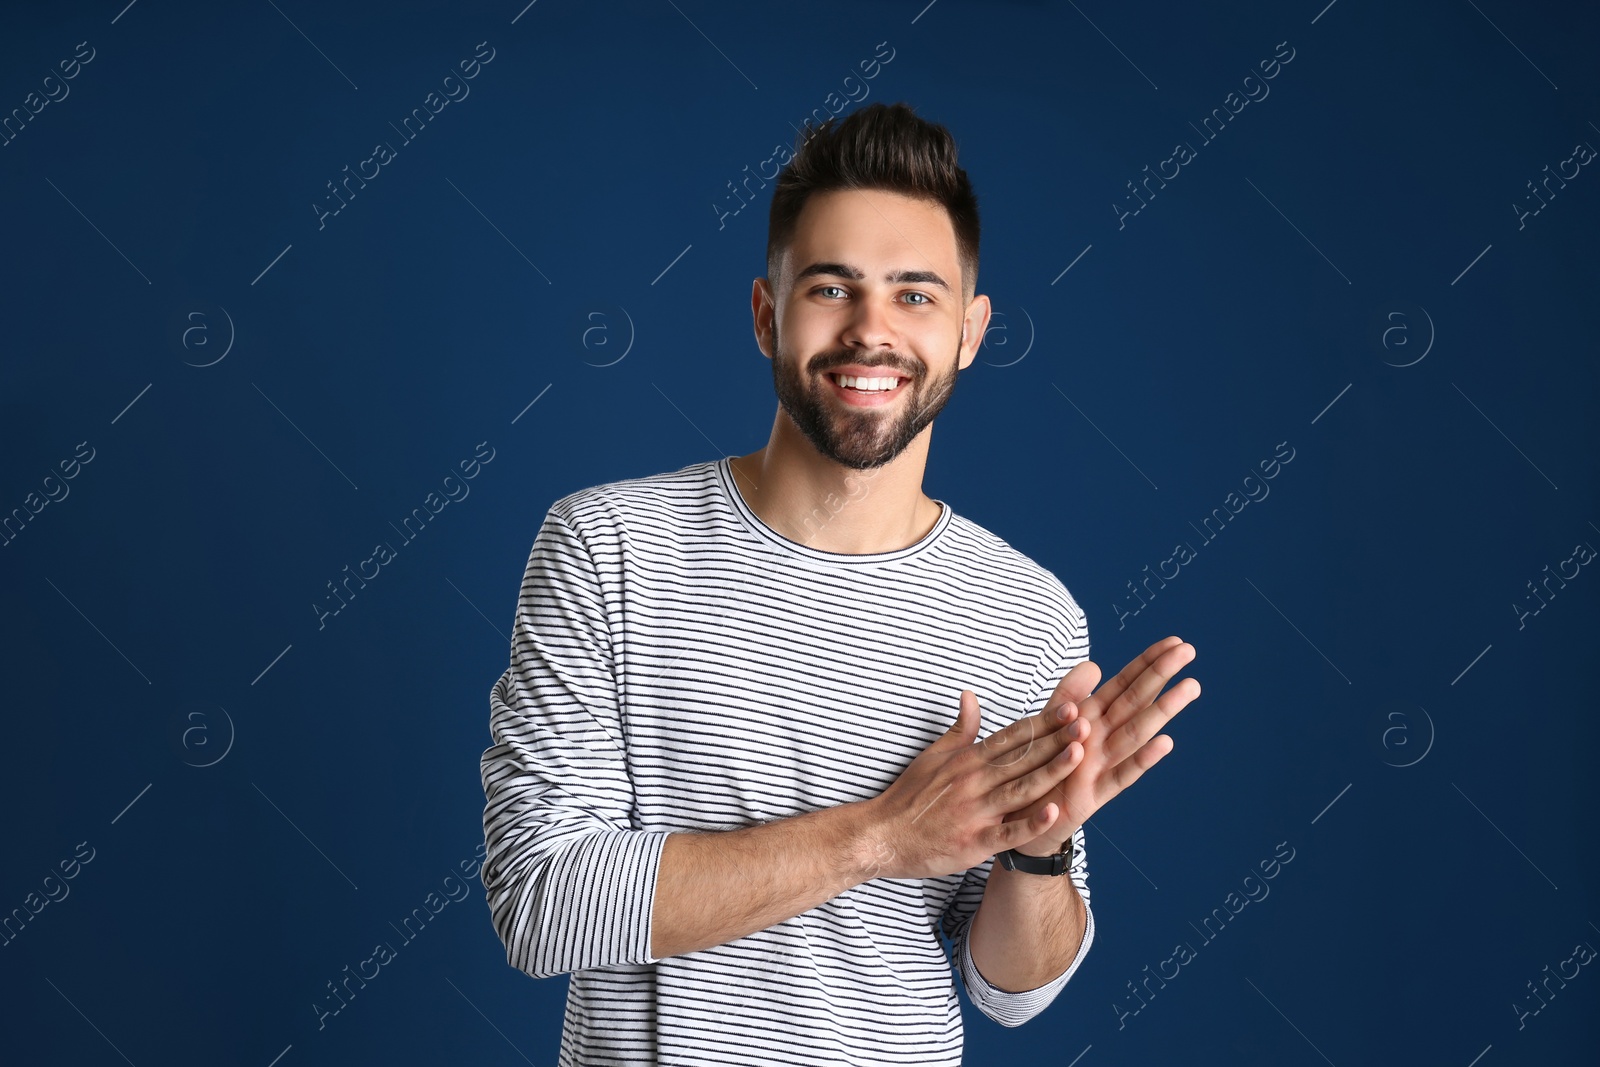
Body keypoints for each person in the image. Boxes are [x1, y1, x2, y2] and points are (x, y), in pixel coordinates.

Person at [478, 100, 1199, 1065]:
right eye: (832, 288)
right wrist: (881, 838)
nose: (872, 332)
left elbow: (1012, 995)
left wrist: (1037, 846)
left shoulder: (1028, 613)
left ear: (970, 330)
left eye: (915, 294)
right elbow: (542, 903)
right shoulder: (609, 546)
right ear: (767, 313)